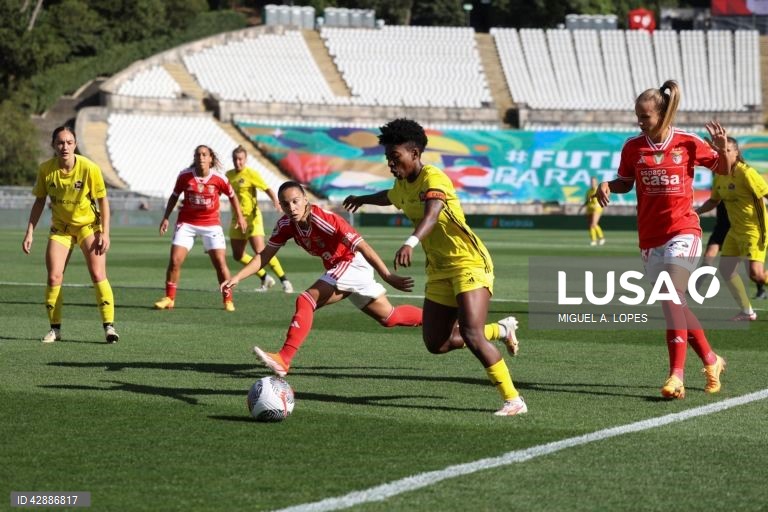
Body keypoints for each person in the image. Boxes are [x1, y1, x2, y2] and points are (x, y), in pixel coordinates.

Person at [222, 181, 518, 378]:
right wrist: (237, 277)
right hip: (343, 269)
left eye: (296, 201)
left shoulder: (325, 219)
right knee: (389, 317)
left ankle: (284, 358)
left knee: (306, 299)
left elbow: (360, 244)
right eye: (285, 204)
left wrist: (388, 274)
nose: (291, 207)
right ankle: (499, 329)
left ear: (305, 199)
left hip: (351, 264)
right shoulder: (287, 224)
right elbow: (264, 255)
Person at [343, 119, 526, 417]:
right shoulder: (402, 185)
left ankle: (513, 399)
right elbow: (390, 197)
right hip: (439, 268)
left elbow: (433, 211)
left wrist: (410, 242)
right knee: (436, 343)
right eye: (388, 158)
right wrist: (362, 199)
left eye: (395, 157)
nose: (391, 163)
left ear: (414, 153)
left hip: (469, 261)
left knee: (471, 333)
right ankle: (502, 329)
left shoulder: (434, 177)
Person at [596, 80, 733, 400]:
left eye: (645, 117)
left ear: (662, 115)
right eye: (637, 116)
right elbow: (625, 183)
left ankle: (676, 377)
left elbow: (724, 169)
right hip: (650, 237)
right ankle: (712, 360)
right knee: (675, 305)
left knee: (673, 296)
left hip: (684, 230)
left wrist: (723, 148)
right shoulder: (633, 146)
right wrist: (607, 185)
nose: (639, 122)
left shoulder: (688, 142)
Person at [22, 125, 119, 343]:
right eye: (60, 142)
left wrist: (105, 232)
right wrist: (29, 232)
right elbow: (39, 201)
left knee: (97, 274)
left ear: (75, 144)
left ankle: (109, 327)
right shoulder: (46, 169)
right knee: (54, 276)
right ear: (53, 145)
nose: (64, 146)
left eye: (69, 142)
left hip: (87, 227)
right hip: (61, 229)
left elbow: (103, 201)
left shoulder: (89, 168)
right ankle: (55, 329)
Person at [154, 145, 246, 311]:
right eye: (198, 154)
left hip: (211, 224)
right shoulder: (184, 176)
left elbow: (233, 196)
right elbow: (174, 196)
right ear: (194, 158)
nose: (201, 157)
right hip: (187, 223)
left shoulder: (220, 179)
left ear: (211, 158)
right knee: (175, 260)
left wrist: (240, 216)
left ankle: (228, 299)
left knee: (220, 262)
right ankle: (169, 298)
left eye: (204, 154)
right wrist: (166, 217)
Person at [695, 136, 768, 319]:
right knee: (726, 269)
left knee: (756, 275)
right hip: (734, 231)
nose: (724, 154)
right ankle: (747, 311)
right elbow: (713, 200)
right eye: (721, 151)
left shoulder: (746, 173)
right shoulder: (720, 175)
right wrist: (695, 212)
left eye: (728, 150)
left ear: (736, 152)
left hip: (754, 229)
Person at [226, 146, 293, 293]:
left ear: (245, 160)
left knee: (261, 252)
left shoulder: (251, 174)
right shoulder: (229, 175)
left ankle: (285, 281)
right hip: (237, 219)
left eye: (240, 159)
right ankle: (265, 278)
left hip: (252, 218)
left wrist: (275, 200)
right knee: (238, 255)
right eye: (235, 159)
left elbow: (266, 188)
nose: (238, 162)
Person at [578, 176, 606, 246]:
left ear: (596, 182)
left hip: (597, 209)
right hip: (589, 208)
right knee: (590, 225)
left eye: (593, 181)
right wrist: (582, 207)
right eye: (591, 182)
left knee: (594, 224)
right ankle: (594, 240)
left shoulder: (598, 190)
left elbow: (605, 196)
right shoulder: (589, 191)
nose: (592, 183)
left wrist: (600, 204)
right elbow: (587, 201)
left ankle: (601, 238)